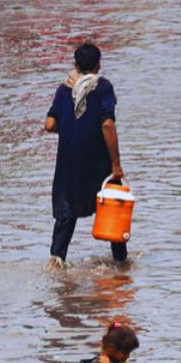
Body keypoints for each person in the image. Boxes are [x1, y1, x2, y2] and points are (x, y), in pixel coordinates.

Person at [44, 43, 127, 267]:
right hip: (98, 163)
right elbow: (107, 124)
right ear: (98, 64)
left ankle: (56, 262)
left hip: (68, 163)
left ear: (76, 65)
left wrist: (71, 127)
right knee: (113, 207)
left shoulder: (64, 90)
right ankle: (121, 265)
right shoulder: (103, 88)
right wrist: (116, 163)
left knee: (66, 214)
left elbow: (49, 124)